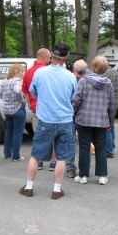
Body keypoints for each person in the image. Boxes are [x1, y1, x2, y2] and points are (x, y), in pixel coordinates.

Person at [19, 43, 77, 199]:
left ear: (52, 54)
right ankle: (57, 189)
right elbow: (72, 96)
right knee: (62, 156)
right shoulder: (70, 76)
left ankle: (29, 186)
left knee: (35, 155)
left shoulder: (40, 72)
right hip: (64, 120)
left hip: (46, 119)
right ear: (66, 57)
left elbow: (33, 92)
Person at [72, 56, 116, 185]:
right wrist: (110, 122)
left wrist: (73, 114)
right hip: (101, 121)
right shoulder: (108, 83)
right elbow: (112, 105)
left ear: (93, 66)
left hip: (84, 119)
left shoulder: (84, 81)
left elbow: (77, 100)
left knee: (84, 147)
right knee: (101, 147)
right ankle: (102, 176)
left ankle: (83, 175)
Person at [21, 48, 53, 170]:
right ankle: (52, 162)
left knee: (38, 135)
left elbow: (25, 91)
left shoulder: (28, 72)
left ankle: (38, 161)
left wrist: (31, 103)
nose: (50, 60)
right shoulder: (48, 71)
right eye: (49, 58)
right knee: (52, 136)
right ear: (45, 58)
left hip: (36, 109)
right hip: (49, 109)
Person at [63, 59, 88, 179]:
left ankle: (70, 168)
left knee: (70, 142)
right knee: (84, 143)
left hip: (69, 114)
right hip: (83, 115)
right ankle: (85, 168)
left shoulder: (68, 80)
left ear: (73, 68)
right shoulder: (88, 82)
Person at [0, 64, 27, 161]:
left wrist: (7, 100)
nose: (23, 73)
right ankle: (16, 155)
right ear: (16, 72)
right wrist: (22, 100)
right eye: (21, 71)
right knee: (18, 133)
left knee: (9, 132)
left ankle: (7, 153)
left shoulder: (5, 81)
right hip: (17, 109)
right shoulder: (17, 81)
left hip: (7, 109)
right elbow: (18, 91)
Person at [103, 66, 118, 158]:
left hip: (108, 102)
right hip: (116, 102)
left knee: (107, 127)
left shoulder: (105, 74)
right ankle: (112, 145)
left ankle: (109, 150)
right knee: (112, 125)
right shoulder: (117, 73)